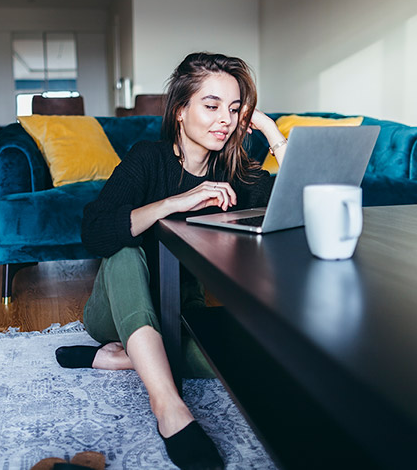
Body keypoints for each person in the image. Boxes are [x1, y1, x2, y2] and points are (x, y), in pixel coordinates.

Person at [55, 52, 288, 469]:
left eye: (234, 109)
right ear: (181, 110)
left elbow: (296, 204)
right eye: (212, 106)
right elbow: (95, 230)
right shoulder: (148, 157)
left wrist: (272, 132)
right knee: (124, 246)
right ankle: (169, 407)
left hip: (181, 312)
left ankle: (119, 358)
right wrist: (175, 203)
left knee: (243, 361)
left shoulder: (234, 170)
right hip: (114, 308)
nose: (226, 120)